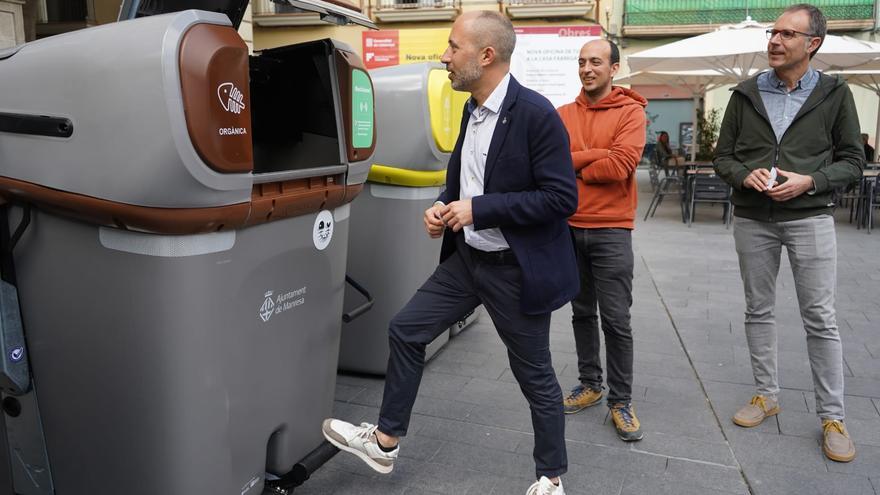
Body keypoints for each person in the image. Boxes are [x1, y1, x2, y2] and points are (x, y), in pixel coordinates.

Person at [322, 11, 579, 494]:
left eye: (453, 46)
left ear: (486, 55)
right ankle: (385, 441)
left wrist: (477, 209)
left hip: (516, 271)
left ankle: (550, 477)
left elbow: (560, 198)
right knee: (406, 330)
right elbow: (462, 177)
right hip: (469, 261)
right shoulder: (470, 108)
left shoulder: (537, 115)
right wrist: (443, 205)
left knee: (535, 377)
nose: (444, 55)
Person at [714, 3, 863, 463]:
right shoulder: (744, 93)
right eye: (772, 33)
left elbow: (854, 161)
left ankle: (832, 417)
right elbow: (723, 157)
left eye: (786, 34)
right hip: (754, 218)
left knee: (820, 317)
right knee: (758, 310)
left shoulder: (835, 94)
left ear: (812, 43)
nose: (774, 41)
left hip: (810, 218)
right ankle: (766, 394)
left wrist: (810, 181)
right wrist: (745, 176)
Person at [556, 39, 647, 442]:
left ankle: (621, 401)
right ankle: (590, 383)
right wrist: (595, 155)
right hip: (569, 227)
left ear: (614, 68)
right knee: (580, 312)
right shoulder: (562, 114)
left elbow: (623, 163)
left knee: (616, 319)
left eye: (595, 61)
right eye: (581, 62)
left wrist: (578, 161)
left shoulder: (631, 112)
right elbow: (551, 166)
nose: (587, 68)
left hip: (612, 229)